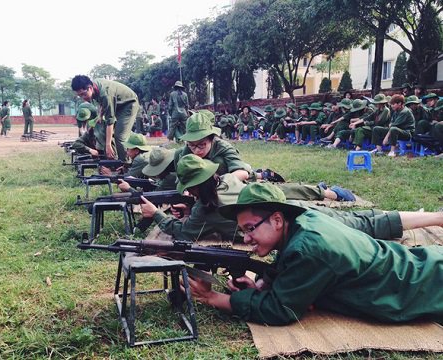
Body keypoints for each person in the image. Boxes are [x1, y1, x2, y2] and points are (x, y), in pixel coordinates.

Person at [186, 182, 443, 325]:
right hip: (423, 268)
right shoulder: (303, 222)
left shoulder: (309, 248)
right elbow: (289, 265)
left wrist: (213, 298)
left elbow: (280, 310)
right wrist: (264, 283)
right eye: (242, 231)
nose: (246, 238)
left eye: (250, 228)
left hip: (425, 286)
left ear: (277, 219)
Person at [140, 155, 357, 243]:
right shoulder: (225, 179)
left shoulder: (205, 211)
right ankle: (332, 193)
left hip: (294, 226)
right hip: (290, 209)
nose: (188, 193)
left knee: (354, 226)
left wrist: (156, 213)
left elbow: (183, 233)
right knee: (357, 222)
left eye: (189, 189)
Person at [71, 75, 139, 161]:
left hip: (129, 104)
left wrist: (108, 146)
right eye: (80, 96)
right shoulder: (95, 86)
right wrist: (100, 115)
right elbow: (102, 104)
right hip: (117, 104)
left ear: (90, 88)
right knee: (116, 131)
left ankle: (125, 165)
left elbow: (110, 121)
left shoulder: (105, 94)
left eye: (84, 94)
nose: (83, 98)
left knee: (120, 136)